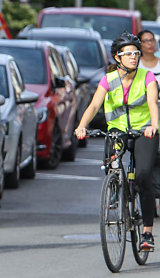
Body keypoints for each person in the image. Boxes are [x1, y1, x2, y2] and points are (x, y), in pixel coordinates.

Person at [75, 31, 159, 251]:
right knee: (112, 160)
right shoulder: (109, 80)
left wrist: (154, 125)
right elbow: (94, 106)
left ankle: (147, 233)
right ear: (117, 57)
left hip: (144, 131)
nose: (133, 57)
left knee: (143, 176)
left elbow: (153, 103)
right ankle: (116, 186)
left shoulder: (147, 77)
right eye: (128, 53)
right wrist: (82, 125)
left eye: (136, 53)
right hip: (118, 131)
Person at [138, 29, 160, 213]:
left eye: (152, 40)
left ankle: (154, 194)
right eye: (146, 41)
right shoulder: (134, 66)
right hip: (141, 116)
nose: (150, 44)